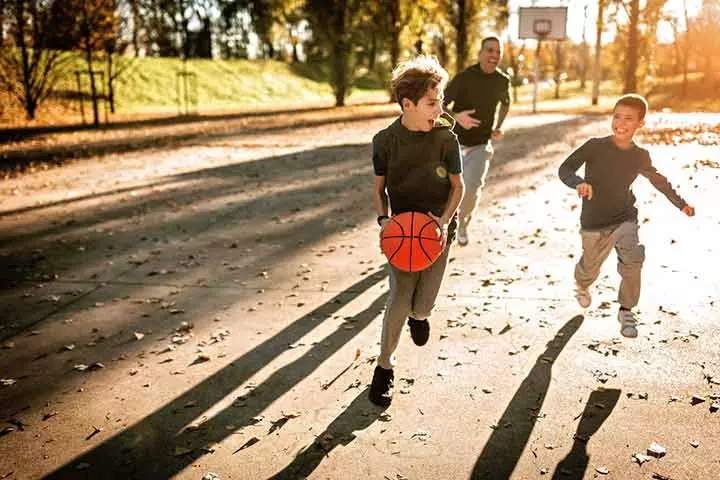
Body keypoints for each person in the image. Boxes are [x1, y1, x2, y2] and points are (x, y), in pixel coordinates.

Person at [370, 55, 465, 406]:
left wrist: (440, 223)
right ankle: (384, 367)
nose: (439, 109)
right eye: (431, 102)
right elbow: (378, 189)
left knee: (423, 303)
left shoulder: (445, 139)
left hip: (438, 230)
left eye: (440, 101)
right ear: (407, 104)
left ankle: (420, 316)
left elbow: (458, 188)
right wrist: (384, 222)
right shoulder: (383, 140)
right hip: (402, 233)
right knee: (398, 297)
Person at [558, 93, 695, 338]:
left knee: (633, 262)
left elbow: (658, 181)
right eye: (617, 116)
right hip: (593, 222)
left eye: (628, 118)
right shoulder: (595, 146)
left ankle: (626, 310)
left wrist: (680, 204)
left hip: (625, 218)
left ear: (640, 124)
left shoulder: (639, 156)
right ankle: (582, 284)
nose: (620, 123)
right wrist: (578, 183)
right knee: (589, 267)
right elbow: (565, 168)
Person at [443, 36, 511, 246]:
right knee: (447, 189)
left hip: (480, 145)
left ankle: (462, 223)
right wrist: (457, 117)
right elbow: (440, 104)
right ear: (480, 53)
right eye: (490, 50)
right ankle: (443, 225)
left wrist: (498, 126)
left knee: (471, 189)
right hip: (453, 143)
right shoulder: (464, 78)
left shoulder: (502, 81)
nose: (494, 55)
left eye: (498, 52)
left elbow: (505, 104)